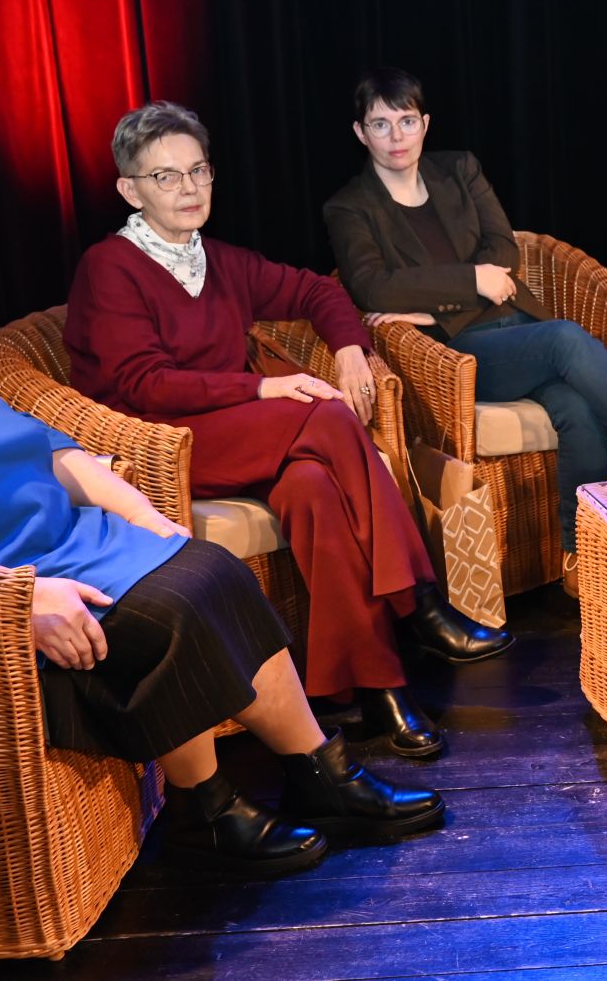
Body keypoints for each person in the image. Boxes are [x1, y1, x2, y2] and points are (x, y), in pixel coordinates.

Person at [0, 194, 441, 877]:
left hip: (68, 543)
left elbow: (40, 442)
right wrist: (15, 599)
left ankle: (319, 772)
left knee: (209, 567)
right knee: (174, 607)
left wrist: (151, 519)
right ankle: (205, 809)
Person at [64, 102, 511, 762]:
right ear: (130, 190)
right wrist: (260, 388)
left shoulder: (215, 259)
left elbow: (317, 292)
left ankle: (377, 688)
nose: (189, 188)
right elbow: (142, 383)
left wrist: (351, 349)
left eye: (199, 170)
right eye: (166, 176)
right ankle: (418, 601)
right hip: (160, 445)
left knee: (314, 490)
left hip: (240, 432)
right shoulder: (110, 266)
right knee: (325, 414)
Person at [323, 68, 607, 590]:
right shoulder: (349, 207)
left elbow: (503, 248)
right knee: (565, 337)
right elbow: (373, 287)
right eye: (380, 124)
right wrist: (471, 284)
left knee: (580, 411)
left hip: (519, 327)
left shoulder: (459, 169)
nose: (396, 136)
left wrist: (437, 304)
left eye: (406, 121)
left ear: (425, 123)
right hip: (461, 353)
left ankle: (576, 559)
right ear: (360, 132)